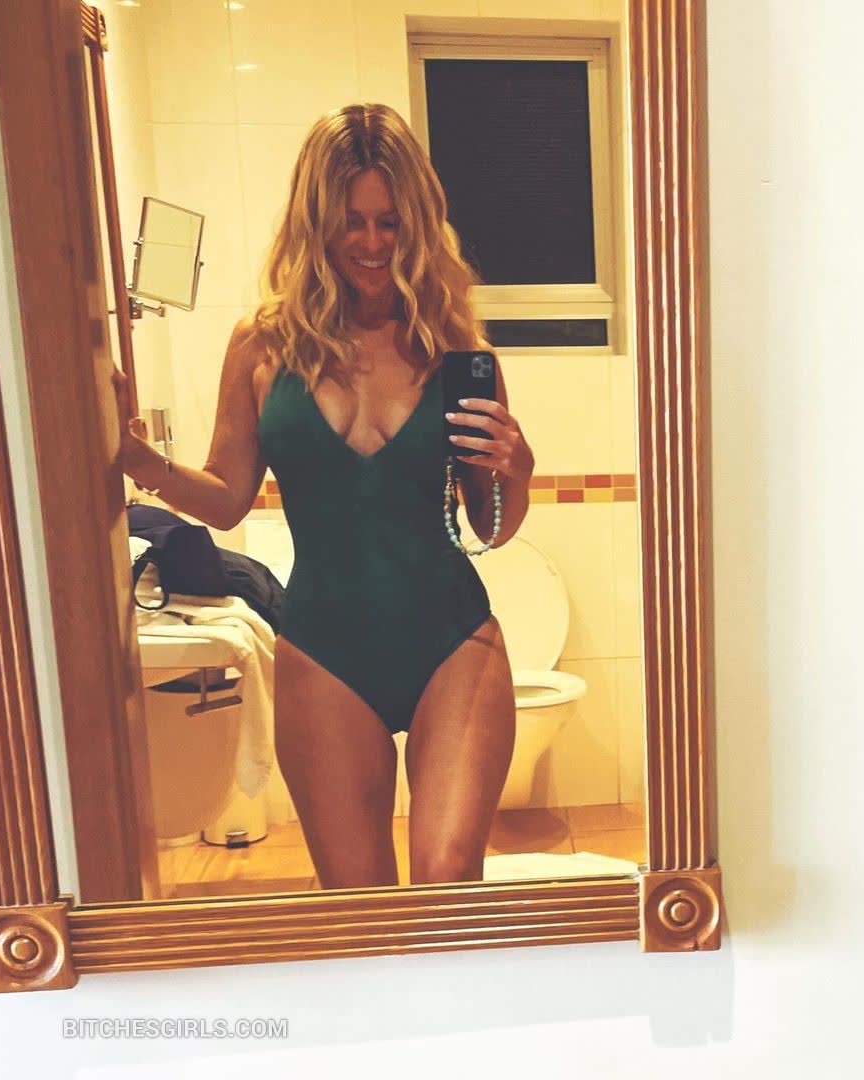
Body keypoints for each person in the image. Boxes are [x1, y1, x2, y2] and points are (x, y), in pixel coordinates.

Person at [113, 103, 535, 889]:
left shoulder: (454, 348)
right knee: (358, 903)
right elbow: (227, 498)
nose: (372, 244)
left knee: (450, 879)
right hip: (324, 649)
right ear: (316, 223)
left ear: (418, 224)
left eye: (390, 223)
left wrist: (517, 469)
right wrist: (138, 458)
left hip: (454, 640)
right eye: (352, 222)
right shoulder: (263, 344)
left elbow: (490, 526)